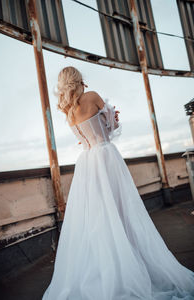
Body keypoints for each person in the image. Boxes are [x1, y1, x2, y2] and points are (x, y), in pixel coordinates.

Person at [42, 66, 194, 300]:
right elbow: (112, 129)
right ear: (79, 80)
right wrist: (112, 118)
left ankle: (109, 265)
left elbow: (86, 139)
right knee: (122, 209)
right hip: (106, 156)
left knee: (98, 216)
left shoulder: (68, 112)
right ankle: (130, 259)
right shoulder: (92, 97)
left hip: (87, 163)